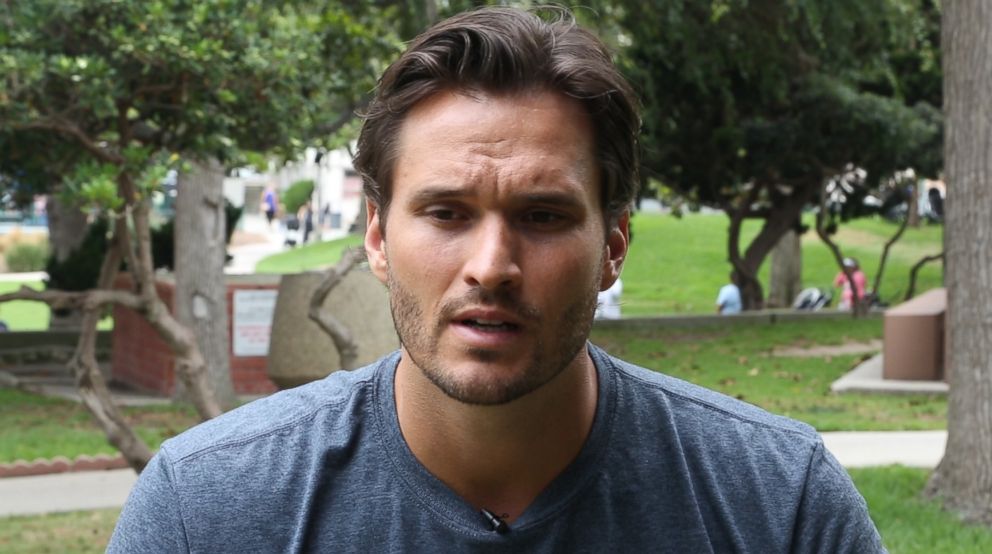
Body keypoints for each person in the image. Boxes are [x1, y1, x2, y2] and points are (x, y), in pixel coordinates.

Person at [108, 7, 884, 552]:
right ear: (378, 237)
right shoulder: (205, 512)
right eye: (446, 213)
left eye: (543, 216)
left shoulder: (779, 507)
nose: (491, 265)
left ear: (613, 244)